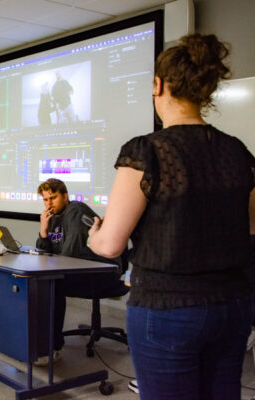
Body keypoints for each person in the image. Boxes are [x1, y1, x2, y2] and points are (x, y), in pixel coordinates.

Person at [86, 34, 255, 399]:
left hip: (167, 310)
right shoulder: (238, 152)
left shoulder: (146, 152)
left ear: (158, 85)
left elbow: (112, 243)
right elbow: (252, 229)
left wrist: (94, 236)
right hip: (234, 305)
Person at [34, 178, 122, 365]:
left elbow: (69, 254)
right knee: (42, 281)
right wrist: (43, 230)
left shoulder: (75, 210)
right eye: (45, 199)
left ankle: (53, 348)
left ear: (65, 196)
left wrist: (48, 263)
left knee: (52, 283)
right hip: (78, 270)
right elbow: (45, 253)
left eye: (53, 198)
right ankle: (39, 343)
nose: (49, 203)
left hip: (103, 272)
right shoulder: (52, 218)